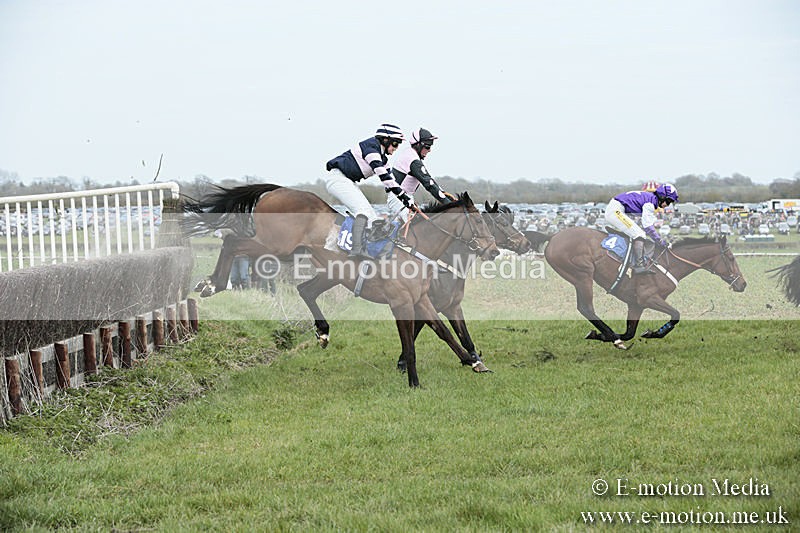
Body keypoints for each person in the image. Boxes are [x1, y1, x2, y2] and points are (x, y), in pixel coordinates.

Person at [325, 123, 417, 258]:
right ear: (386, 140)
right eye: (396, 144)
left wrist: (406, 203)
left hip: (347, 181)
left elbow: (391, 184)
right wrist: (403, 196)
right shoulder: (371, 147)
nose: (396, 148)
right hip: (338, 179)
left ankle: (361, 249)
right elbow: (383, 176)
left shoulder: (383, 158)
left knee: (373, 218)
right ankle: (356, 251)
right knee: (363, 212)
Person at [604, 183, 679, 274]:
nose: (668, 205)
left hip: (618, 208)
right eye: (668, 201)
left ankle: (632, 260)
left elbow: (647, 224)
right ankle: (639, 265)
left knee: (638, 233)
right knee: (639, 234)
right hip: (615, 210)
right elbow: (648, 227)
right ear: (662, 197)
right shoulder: (650, 203)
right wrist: (660, 241)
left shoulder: (651, 199)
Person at [387, 127, 456, 221]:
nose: (429, 150)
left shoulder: (410, 154)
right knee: (417, 226)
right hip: (398, 199)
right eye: (427, 147)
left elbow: (430, 181)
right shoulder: (413, 160)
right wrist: (449, 204)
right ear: (418, 145)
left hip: (404, 197)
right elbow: (429, 184)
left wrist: (448, 198)